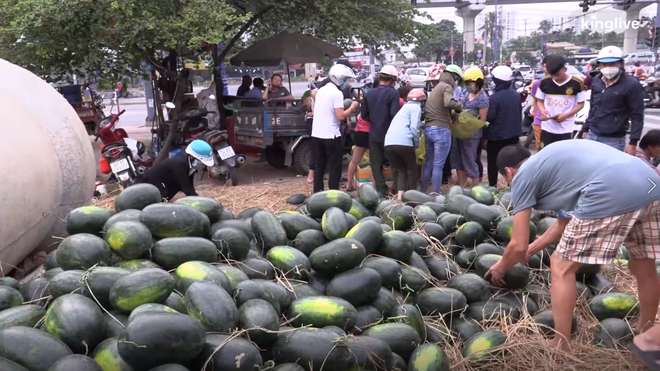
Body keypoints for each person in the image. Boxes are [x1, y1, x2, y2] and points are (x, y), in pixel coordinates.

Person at [486, 141, 660, 353]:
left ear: (508, 172)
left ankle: (561, 344)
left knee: (560, 266)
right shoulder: (552, 166)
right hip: (652, 184)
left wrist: (501, 267)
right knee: (643, 263)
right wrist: (532, 250)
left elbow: (518, 243)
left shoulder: (522, 176)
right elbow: (563, 223)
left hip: (613, 190)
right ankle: (646, 331)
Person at [581, 46, 645, 154]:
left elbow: (637, 115)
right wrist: (586, 128)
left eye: (612, 64)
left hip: (614, 140)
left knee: (609, 170)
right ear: (599, 65)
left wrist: (633, 143)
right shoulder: (597, 80)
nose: (607, 67)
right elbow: (593, 106)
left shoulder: (631, 85)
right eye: (604, 64)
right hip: (592, 134)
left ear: (620, 63)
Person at [311, 64, 359, 193]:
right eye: (344, 80)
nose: (344, 83)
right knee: (335, 165)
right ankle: (334, 192)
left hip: (316, 134)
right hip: (331, 135)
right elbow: (340, 115)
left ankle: (318, 192)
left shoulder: (320, 91)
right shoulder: (336, 93)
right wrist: (353, 107)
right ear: (339, 79)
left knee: (319, 164)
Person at [422, 64, 464, 194]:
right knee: (438, 165)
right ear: (453, 77)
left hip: (429, 128)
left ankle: (423, 192)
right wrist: (460, 107)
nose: (456, 82)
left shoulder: (436, 88)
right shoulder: (447, 87)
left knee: (428, 163)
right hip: (441, 129)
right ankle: (435, 194)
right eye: (456, 79)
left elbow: (439, 108)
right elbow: (448, 103)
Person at [361, 65, 401, 197]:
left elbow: (364, 116)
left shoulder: (369, 93)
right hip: (389, 134)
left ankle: (381, 191)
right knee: (394, 164)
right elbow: (394, 114)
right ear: (392, 79)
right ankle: (395, 189)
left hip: (374, 134)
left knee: (376, 164)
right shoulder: (393, 93)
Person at [535, 55, 586, 148]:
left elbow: (581, 104)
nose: (555, 78)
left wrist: (566, 115)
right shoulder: (544, 82)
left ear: (565, 69)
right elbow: (540, 101)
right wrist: (543, 111)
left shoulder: (577, 83)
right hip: (547, 127)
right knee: (546, 154)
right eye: (552, 75)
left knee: (564, 155)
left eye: (558, 74)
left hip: (566, 128)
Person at [139, 140, 215, 202]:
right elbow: (187, 189)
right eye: (202, 162)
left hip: (169, 182)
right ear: (192, 157)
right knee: (178, 198)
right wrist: (201, 202)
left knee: (182, 196)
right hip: (154, 183)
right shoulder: (179, 165)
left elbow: (190, 187)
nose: (203, 165)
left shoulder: (191, 166)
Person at [484, 65, 522, 187]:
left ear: (498, 81)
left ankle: (493, 186)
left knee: (493, 163)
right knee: (512, 163)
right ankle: (512, 186)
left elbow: (491, 117)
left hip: (497, 136)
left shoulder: (495, 97)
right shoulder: (516, 95)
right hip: (513, 135)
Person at [384, 88, 426, 199]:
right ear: (422, 101)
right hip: (403, 143)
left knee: (401, 169)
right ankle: (412, 196)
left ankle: (399, 197)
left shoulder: (403, 108)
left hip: (388, 142)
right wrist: (417, 143)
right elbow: (414, 127)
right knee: (412, 169)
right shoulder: (416, 107)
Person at [451, 66, 488, 188]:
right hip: (460, 131)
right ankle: (462, 186)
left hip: (472, 134)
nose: (467, 85)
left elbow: (482, 120)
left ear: (477, 81)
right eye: (466, 83)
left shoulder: (483, 98)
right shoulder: (466, 93)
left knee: (470, 160)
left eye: (469, 83)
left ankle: (476, 188)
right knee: (459, 160)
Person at [527, 62, 548, 150]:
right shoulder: (537, 83)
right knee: (540, 149)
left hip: (557, 124)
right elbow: (536, 101)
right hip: (540, 122)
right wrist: (536, 119)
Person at [301, 88, 316, 183]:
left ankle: (312, 176)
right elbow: (309, 111)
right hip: (313, 123)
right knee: (315, 150)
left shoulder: (312, 99)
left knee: (316, 150)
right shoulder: (311, 100)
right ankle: (311, 177)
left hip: (311, 123)